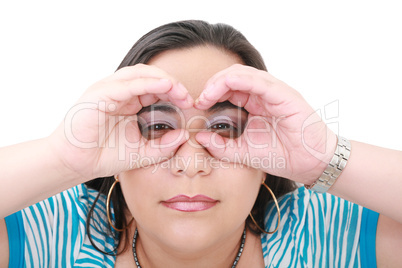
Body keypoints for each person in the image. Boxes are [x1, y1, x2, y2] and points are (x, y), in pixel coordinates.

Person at [0, 20, 401, 268]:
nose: (191, 165)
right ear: (114, 165)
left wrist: (321, 158)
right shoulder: (53, 234)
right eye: (157, 127)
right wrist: (63, 159)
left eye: (225, 127)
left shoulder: (322, 235)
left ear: (266, 163)